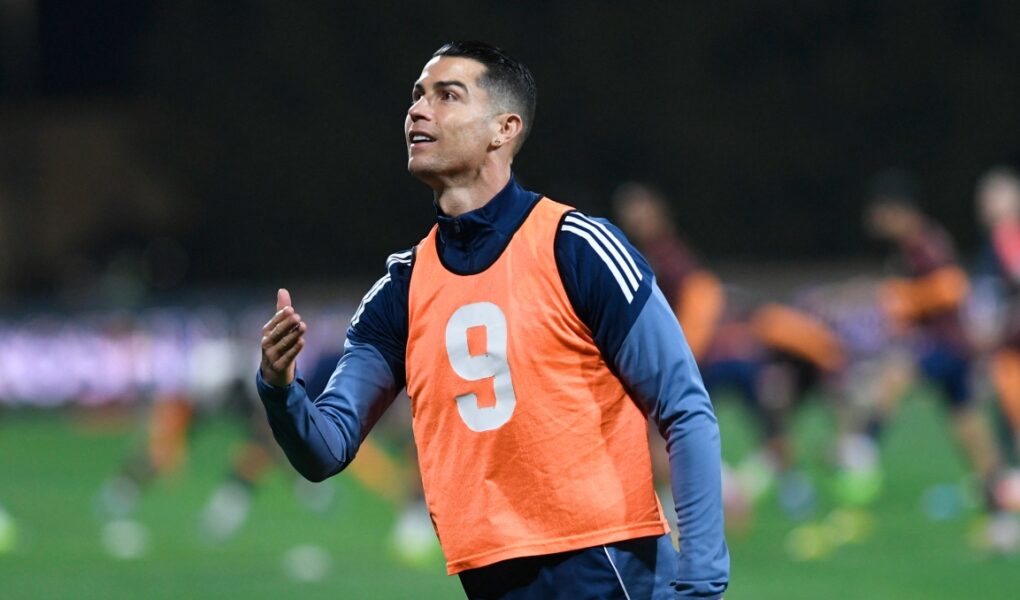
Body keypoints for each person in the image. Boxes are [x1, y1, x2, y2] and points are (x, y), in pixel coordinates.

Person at [257, 41, 729, 598]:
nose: (417, 111)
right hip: (488, 582)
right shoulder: (400, 290)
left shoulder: (576, 246)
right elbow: (325, 448)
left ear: (503, 129)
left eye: (447, 95)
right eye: (417, 96)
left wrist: (701, 584)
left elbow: (684, 407)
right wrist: (279, 388)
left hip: (608, 571)